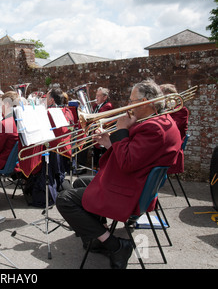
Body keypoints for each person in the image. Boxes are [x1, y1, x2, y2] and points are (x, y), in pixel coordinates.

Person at [56, 79, 182, 269]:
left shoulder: (153, 128)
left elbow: (128, 163)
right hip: (136, 181)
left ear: (146, 101)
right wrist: (109, 143)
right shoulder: (159, 120)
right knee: (80, 183)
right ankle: (100, 234)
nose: (129, 105)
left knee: (64, 199)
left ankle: (115, 245)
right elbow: (134, 156)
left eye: (132, 101)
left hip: (132, 191)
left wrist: (122, 130)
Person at [160, 83, 189, 175]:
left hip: (171, 150)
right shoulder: (161, 111)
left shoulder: (181, 110)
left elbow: (169, 128)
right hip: (161, 147)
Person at [92, 87, 114, 169]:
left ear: (104, 97)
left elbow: (99, 118)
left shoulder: (108, 106)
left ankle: (99, 168)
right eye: (96, 95)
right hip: (96, 132)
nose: (96, 98)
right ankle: (95, 167)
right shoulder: (96, 106)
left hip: (104, 134)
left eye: (98, 96)